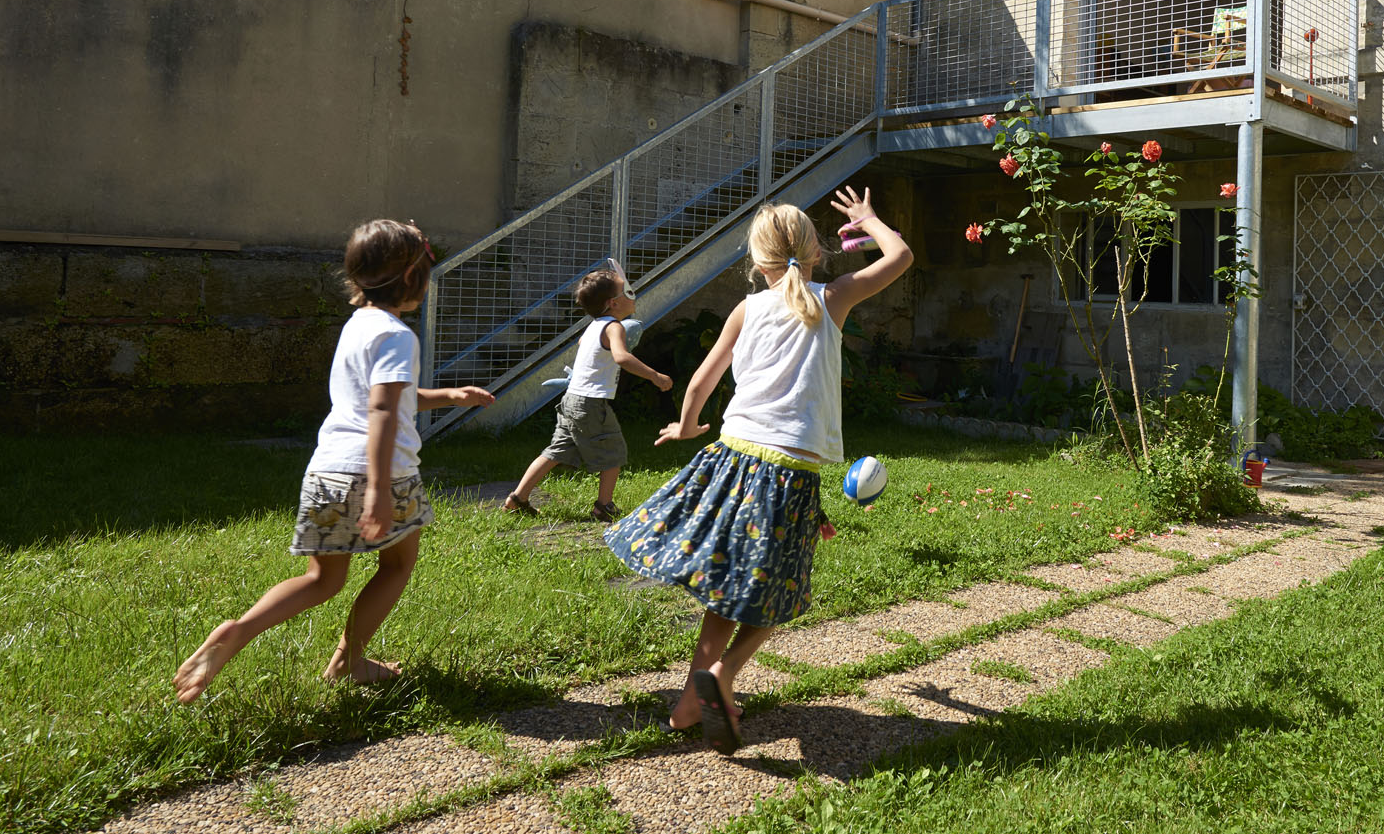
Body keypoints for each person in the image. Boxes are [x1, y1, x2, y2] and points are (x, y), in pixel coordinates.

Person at [604, 187, 912, 753]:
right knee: (778, 592)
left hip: (731, 458)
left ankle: (687, 704)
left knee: (725, 590)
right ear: (816, 251)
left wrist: (687, 425)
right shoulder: (833, 298)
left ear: (757, 260)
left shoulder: (746, 309)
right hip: (788, 471)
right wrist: (870, 220)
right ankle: (722, 677)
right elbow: (901, 258)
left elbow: (703, 378)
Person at [172, 219, 494, 704]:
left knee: (322, 579)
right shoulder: (398, 335)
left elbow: (385, 397)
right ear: (412, 279)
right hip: (381, 473)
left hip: (327, 469)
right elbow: (383, 410)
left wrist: (448, 394)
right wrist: (382, 490)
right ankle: (349, 661)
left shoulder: (357, 326)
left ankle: (239, 631)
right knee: (397, 565)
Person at [504, 264, 672, 521]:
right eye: (627, 292)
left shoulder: (594, 325)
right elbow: (621, 357)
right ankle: (603, 506)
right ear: (613, 303)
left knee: (555, 451)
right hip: (591, 403)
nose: (632, 296)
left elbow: (585, 345)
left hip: (572, 399)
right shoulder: (614, 327)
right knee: (614, 450)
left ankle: (517, 498)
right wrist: (655, 376)